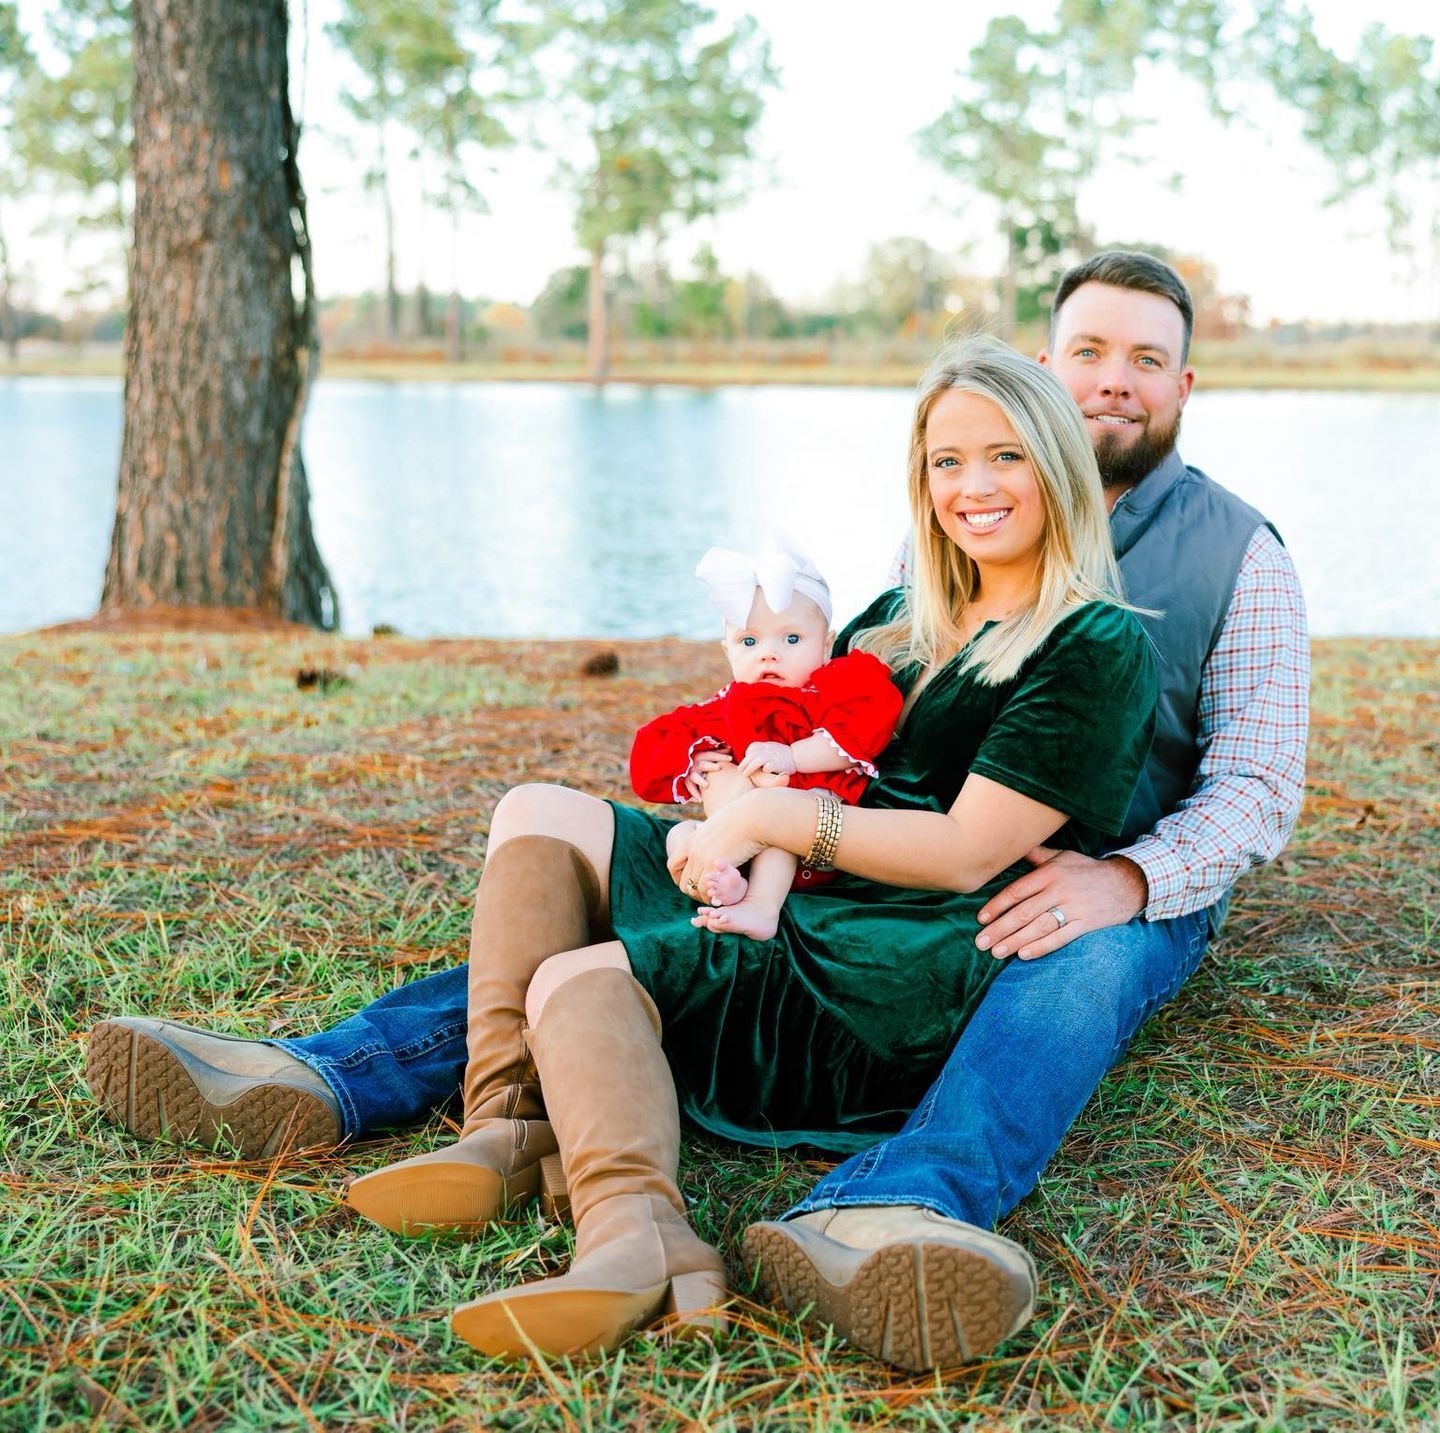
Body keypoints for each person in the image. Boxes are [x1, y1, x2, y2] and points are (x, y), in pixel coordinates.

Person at [84, 251, 1311, 1372]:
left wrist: (1133, 877)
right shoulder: (943, 560)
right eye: (1087, 353)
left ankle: (907, 1201)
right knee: (555, 831)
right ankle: (446, 1102)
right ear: (1046, 372)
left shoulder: (1229, 554)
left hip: (1091, 867)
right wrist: (737, 791)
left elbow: (1252, 787)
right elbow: (857, 718)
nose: (1112, 383)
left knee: (1067, 948)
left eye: (1144, 359)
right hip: (882, 851)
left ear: (1183, 382)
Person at [638, 541, 903, 940]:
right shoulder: (728, 704)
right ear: (727, 651)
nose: (769, 655)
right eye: (749, 642)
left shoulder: (834, 687)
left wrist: (793, 756)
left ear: (826, 644)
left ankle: (761, 906)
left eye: (791, 639)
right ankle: (720, 879)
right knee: (684, 827)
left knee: (776, 803)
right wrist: (691, 763)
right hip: (735, 840)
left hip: (810, 834)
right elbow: (654, 744)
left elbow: (864, 727)